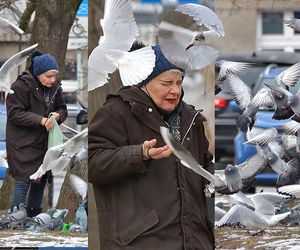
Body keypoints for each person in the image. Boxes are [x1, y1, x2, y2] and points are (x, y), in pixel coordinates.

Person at [89, 44, 214, 249]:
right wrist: (139, 154)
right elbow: (92, 164)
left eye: (178, 82)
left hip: (194, 241)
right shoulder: (115, 112)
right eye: (166, 83)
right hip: (140, 241)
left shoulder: (191, 119)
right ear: (143, 82)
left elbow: (204, 167)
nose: (175, 90)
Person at [6, 52, 68, 217]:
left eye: (54, 76)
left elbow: (63, 108)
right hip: (23, 142)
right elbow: (14, 113)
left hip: (44, 142)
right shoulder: (20, 86)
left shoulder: (55, 87)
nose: (52, 80)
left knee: (40, 179)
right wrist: (39, 120)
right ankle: (15, 215)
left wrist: (58, 115)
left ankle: (33, 215)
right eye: (49, 76)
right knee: (24, 179)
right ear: (38, 73)